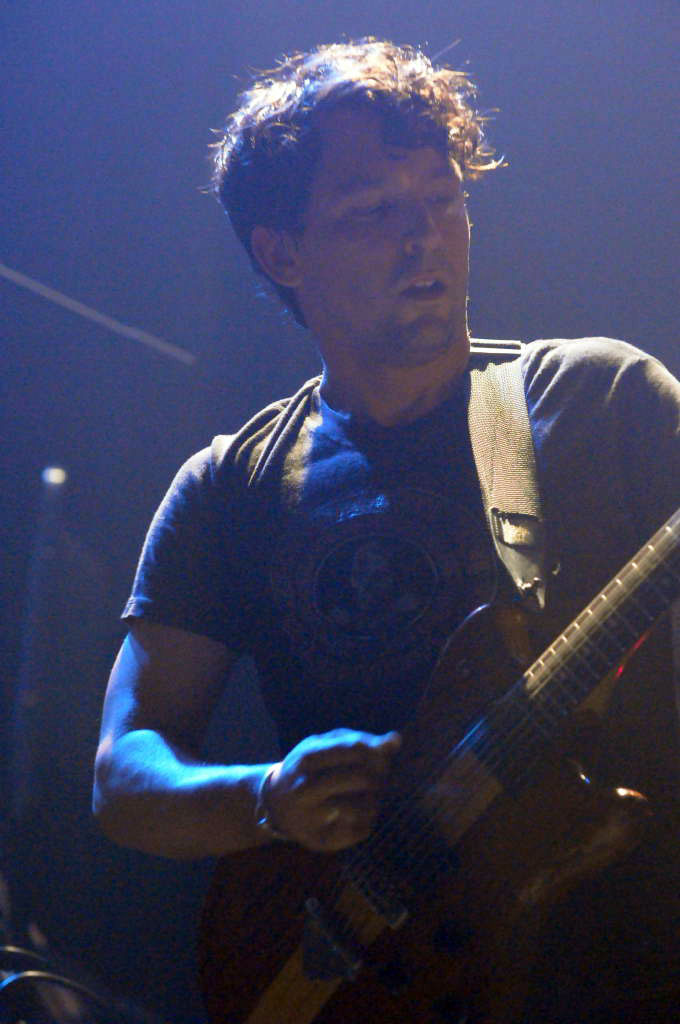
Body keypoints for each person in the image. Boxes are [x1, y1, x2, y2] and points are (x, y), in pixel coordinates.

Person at [93, 38, 680, 1021]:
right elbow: (123, 775)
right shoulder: (232, 486)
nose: (425, 238)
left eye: (442, 200)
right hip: (381, 979)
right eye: (374, 212)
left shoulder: (604, 399)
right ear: (281, 252)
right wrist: (267, 798)